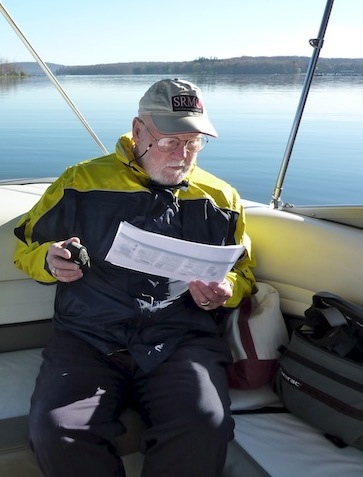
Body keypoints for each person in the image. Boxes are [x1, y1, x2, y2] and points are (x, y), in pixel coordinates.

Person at [13, 78, 256, 477]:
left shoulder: (221, 199)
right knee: (57, 429)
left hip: (180, 339)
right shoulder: (81, 183)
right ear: (138, 130)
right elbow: (25, 246)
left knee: (204, 426)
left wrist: (226, 292)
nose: (182, 155)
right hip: (88, 337)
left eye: (193, 143)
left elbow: (243, 270)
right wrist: (49, 261)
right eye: (169, 142)